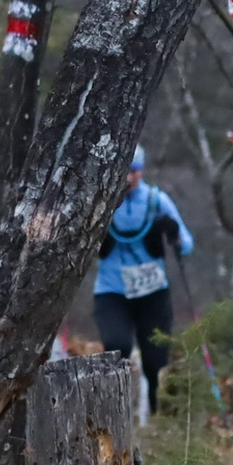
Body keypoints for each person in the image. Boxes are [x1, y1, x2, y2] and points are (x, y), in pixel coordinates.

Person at [93, 146, 192, 418]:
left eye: (134, 171)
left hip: (152, 293)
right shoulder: (101, 200)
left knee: (155, 359)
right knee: (116, 346)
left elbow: (187, 244)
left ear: (142, 171)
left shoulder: (156, 200)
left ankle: (159, 415)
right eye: (124, 170)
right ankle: (113, 412)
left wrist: (172, 233)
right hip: (112, 290)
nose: (128, 177)